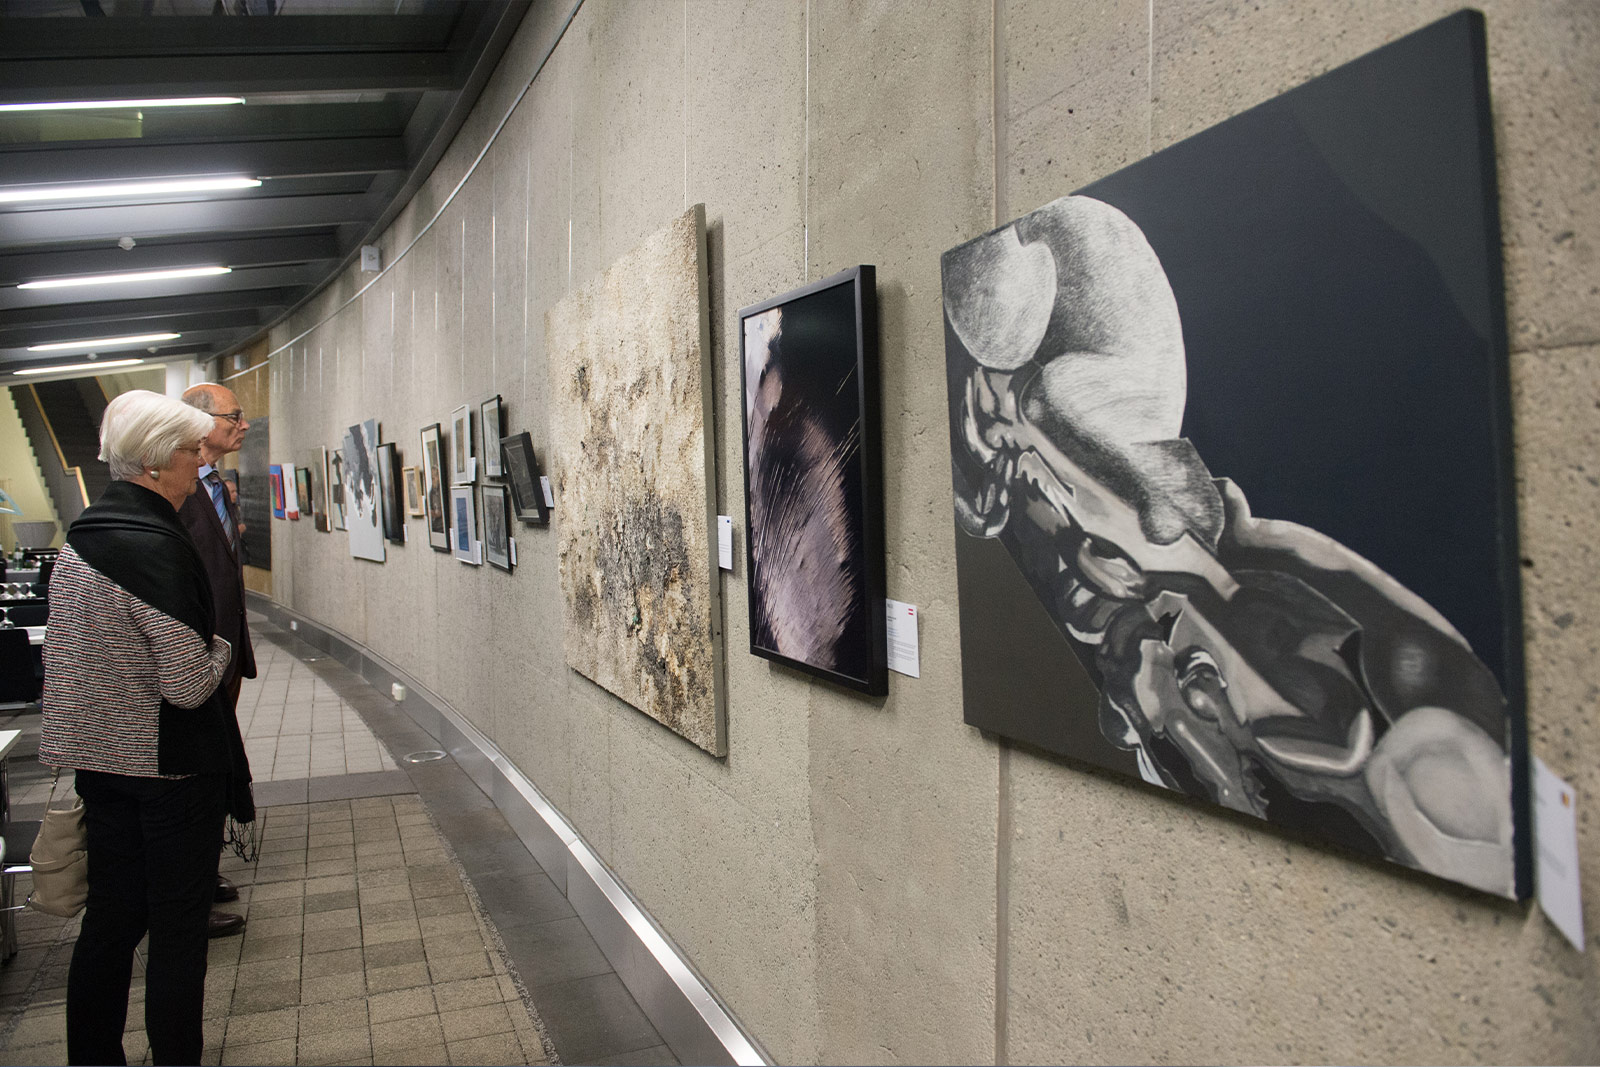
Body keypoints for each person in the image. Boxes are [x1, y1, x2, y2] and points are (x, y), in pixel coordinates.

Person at [38, 389, 239, 1065]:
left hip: (101, 764)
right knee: (177, 932)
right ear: (155, 462)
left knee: (111, 921)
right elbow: (187, 684)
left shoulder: (84, 536)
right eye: (191, 450)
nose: (199, 461)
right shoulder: (154, 546)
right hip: (169, 768)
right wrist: (220, 647)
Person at [179, 383, 258, 931]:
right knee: (199, 770)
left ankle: (203, 874)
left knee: (216, 765)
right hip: (193, 659)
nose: (244, 424)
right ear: (201, 422)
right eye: (235, 415)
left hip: (224, 652)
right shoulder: (180, 489)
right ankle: (191, 891)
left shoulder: (216, 485)